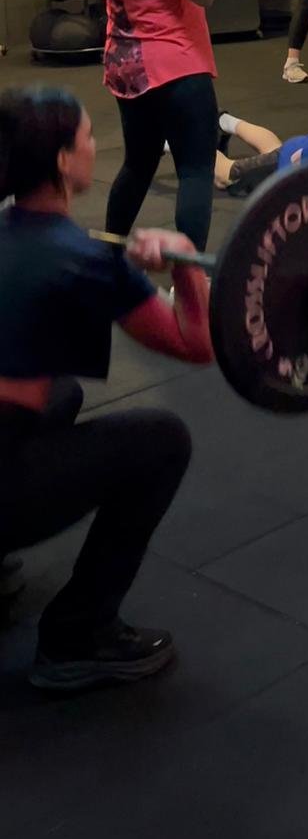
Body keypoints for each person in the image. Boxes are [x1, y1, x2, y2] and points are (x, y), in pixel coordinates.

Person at [0, 86, 214, 691]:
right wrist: (185, 264)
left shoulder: (9, 229)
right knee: (162, 440)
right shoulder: (82, 258)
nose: (97, 145)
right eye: (90, 137)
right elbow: (195, 344)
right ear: (65, 161)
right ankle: (78, 634)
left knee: (58, 392)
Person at [87, 0, 225, 250]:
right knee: (196, 171)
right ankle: (189, 283)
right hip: (176, 67)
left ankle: (107, 256)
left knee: (139, 163)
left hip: (127, 70)